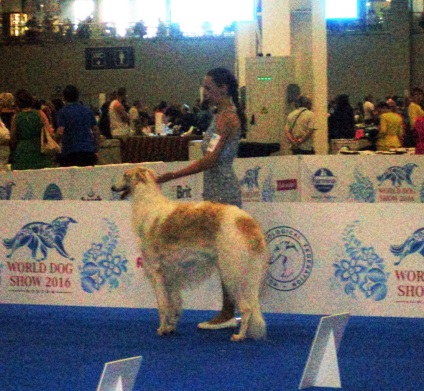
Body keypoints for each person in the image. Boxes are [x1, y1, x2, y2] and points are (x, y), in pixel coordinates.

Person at [156, 67, 243, 330]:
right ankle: (228, 311)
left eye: (209, 87)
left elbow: (210, 160)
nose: (205, 92)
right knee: (221, 254)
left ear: (223, 88)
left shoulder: (226, 119)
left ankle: (229, 313)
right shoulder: (221, 116)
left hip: (222, 190)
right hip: (216, 187)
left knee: (225, 254)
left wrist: (173, 174)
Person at [56, 85, 100, 167]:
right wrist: (96, 148)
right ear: (78, 96)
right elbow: (96, 131)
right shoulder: (88, 110)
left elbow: (60, 132)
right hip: (88, 150)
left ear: (64, 98)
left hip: (69, 151)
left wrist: (56, 143)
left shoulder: (62, 112)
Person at [9, 89, 53, 170]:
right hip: (38, 148)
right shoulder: (39, 114)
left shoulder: (16, 117)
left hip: (22, 150)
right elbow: (48, 131)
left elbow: (13, 137)